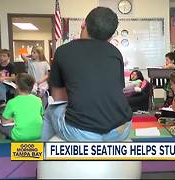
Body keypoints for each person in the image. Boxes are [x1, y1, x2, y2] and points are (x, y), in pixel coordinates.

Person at [42, 7, 132, 141]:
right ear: (110, 37)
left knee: (50, 110)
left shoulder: (63, 51)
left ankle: (35, 153)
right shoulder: (116, 53)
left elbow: (58, 97)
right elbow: (117, 90)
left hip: (83, 133)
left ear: (83, 23)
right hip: (122, 129)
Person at [0, 73, 43, 141]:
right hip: (39, 134)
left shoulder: (12, 102)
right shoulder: (38, 100)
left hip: (19, 136)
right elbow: (41, 115)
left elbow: (4, 122)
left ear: (16, 86)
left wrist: (13, 119)